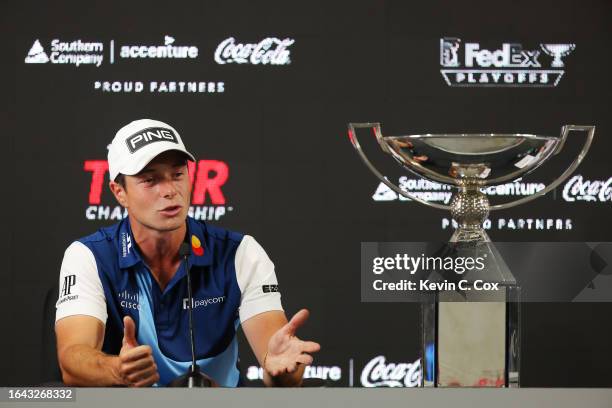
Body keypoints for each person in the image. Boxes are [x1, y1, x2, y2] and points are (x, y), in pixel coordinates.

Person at [55, 119, 320, 387]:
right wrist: (117, 369)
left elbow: (279, 371)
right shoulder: (89, 256)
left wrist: (282, 369)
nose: (170, 191)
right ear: (119, 192)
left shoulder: (241, 253)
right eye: (150, 179)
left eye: (178, 174)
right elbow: (72, 359)